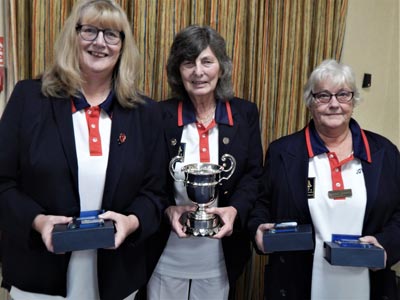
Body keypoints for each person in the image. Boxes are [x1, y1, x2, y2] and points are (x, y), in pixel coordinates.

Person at [0, 1, 168, 299]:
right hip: (38, 277)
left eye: (112, 34)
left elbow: (155, 193)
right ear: (72, 36)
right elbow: (3, 183)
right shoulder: (28, 99)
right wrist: (38, 222)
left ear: (123, 46)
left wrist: (131, 222)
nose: (100, 42)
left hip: (116, 278)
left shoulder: (146, 113)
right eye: (89, 30)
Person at [248, 59, 400, 300]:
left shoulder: (385, 152)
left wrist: (387, 246)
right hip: (297, 283)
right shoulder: (282, 152)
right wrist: (258, 229)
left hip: (370, 284)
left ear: (353, 101)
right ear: (310, 102)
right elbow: (261, 204)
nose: (334, 104)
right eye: (323, 96)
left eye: (343, 95)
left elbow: (398, 214)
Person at [145, 25, 263, 299]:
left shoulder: (244, 114)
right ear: (178, 71)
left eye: (207, 61)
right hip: (166, 254)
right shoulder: (158, 115)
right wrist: (167, 210)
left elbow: (254, 175)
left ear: (221, 67)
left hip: (220, 256)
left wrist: (235, 210)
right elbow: (147, 180)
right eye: (188, 63)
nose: (198, 72)